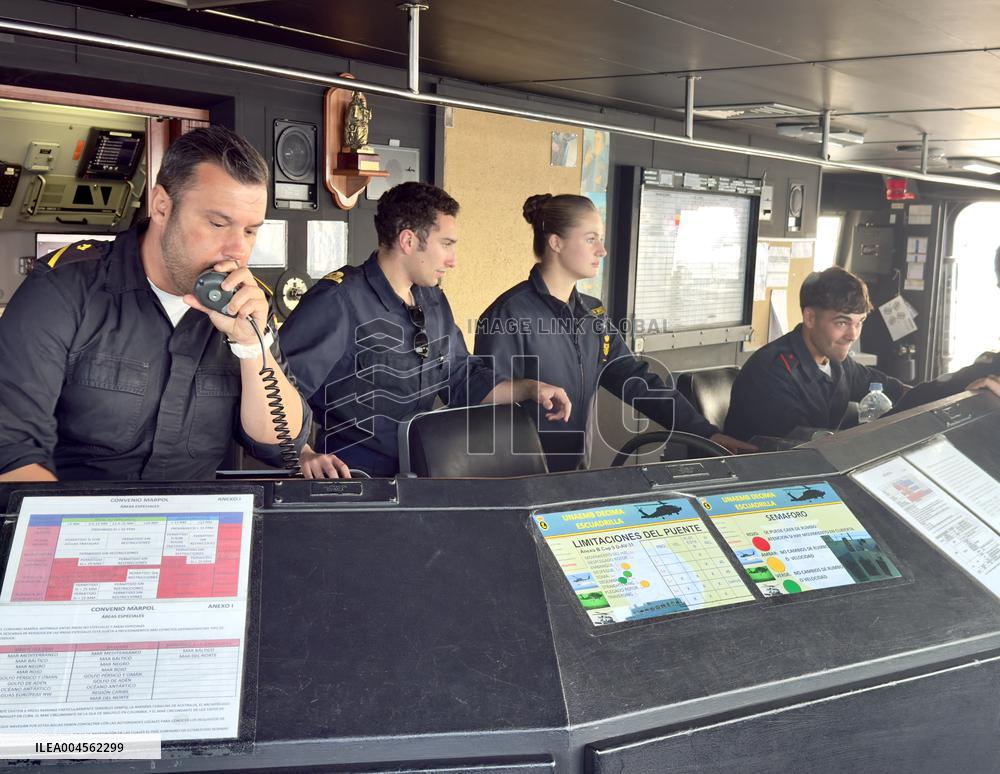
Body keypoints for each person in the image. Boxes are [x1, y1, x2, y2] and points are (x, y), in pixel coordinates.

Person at [0, 125, 309, 482]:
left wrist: (251, 347)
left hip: (194, 528)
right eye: (218, 223)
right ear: (162, 206)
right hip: (80, 523)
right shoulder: (64, 288)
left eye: (250, 230)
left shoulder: (248, 302)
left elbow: (279, 444)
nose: (238, 250)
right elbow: (11, 452)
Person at [279, 182, 571, 478]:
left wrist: (530, 388)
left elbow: (461, 378)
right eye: (446, 244)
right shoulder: (339, 300)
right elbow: (280, 388)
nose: (453, 260)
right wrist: (302, 453)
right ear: (408, 241)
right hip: (354, 480)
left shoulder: (433, 301)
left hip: (421, 474)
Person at [474, 193, 754, 473]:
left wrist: (705, 433)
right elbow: (488, 407)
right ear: (556, 242)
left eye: (601, 238)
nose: (602, 250)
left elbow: (636, 380)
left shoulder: (592, 314)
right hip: (519, 479)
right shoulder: (508, 315)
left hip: (575, 473)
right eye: (590, 238)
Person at [726, 266, 907, 442]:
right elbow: (797, 442)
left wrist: (930, 398)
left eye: (859, 323)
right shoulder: (771, 372)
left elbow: (892, 390)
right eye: (842, 323)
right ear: (810, 318)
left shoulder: (837, 362)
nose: (853, 335)